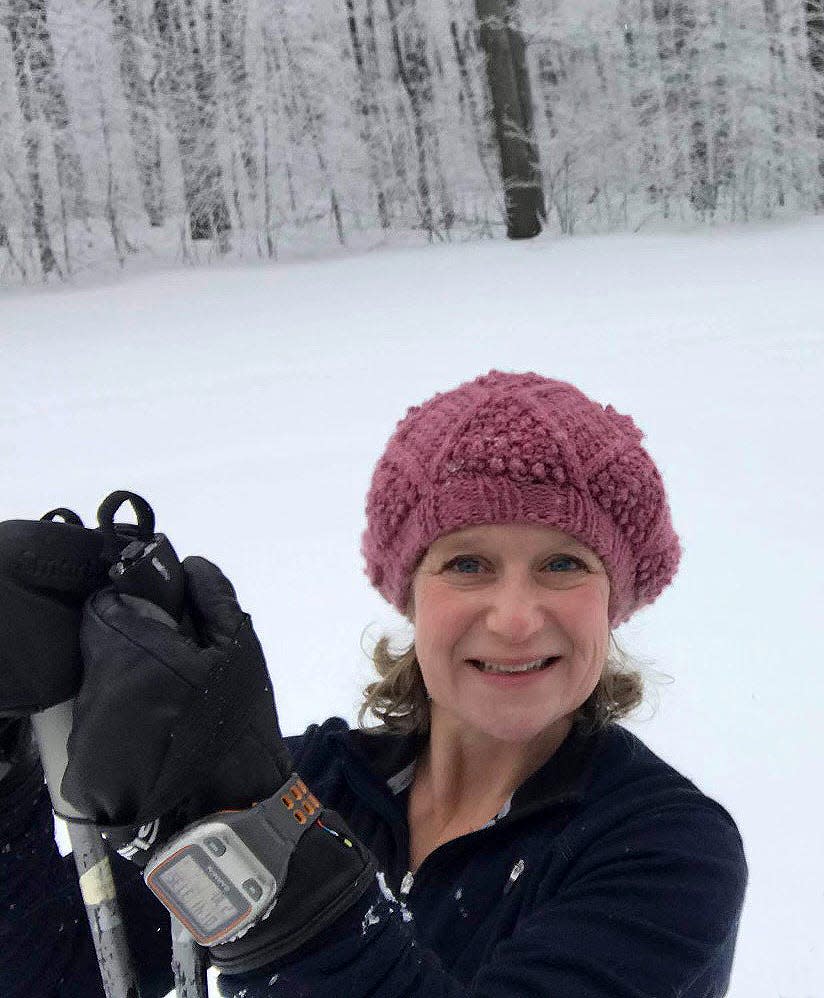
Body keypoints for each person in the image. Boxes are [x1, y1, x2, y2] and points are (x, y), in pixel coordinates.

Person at [0, 370, 747, 997]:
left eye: (563, 564)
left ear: (614, 599)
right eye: (466, 564)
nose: (517, 619)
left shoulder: (667, 851)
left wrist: (283, 883)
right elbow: (50, 970)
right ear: (410, 593)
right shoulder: (315, 784)